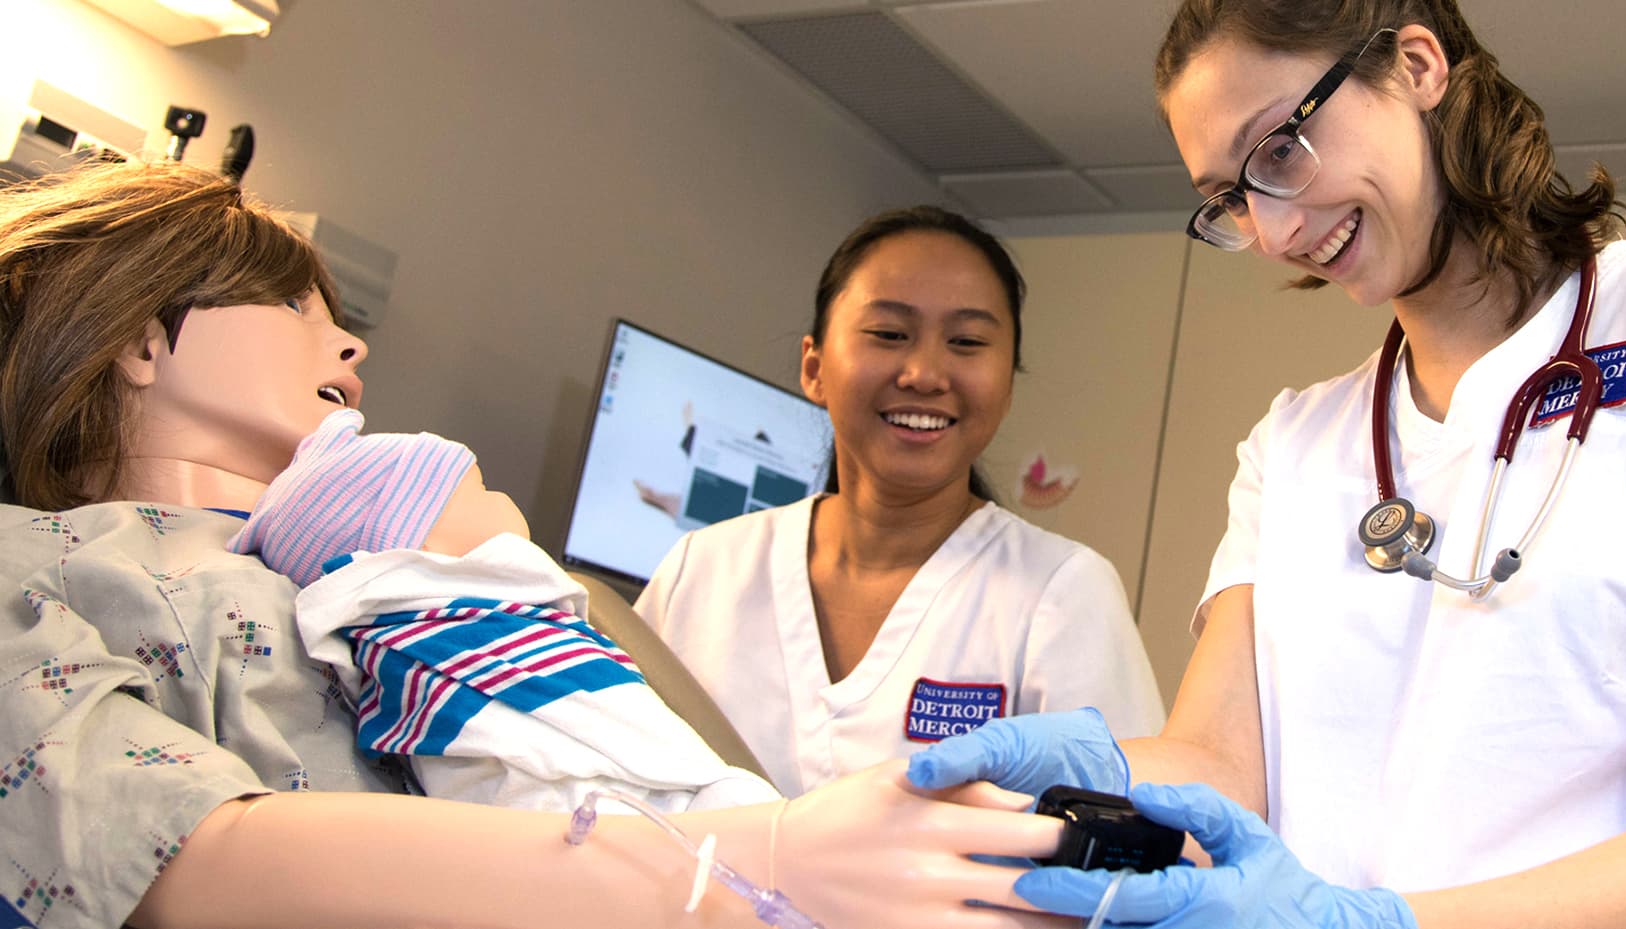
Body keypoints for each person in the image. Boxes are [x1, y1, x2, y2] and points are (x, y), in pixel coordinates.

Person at [907, 3, 1626, 929]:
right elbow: (1218, 764)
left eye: (1280, 151)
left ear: (1416, 66)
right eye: (1229, 199)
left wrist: (1387, 923)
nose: (1277, 230)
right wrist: (1058, 777)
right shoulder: (1294, 442)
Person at [0, 160, 1073, 929]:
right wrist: (734, 864)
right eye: (291, 302)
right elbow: (179, 850)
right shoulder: (35, 561)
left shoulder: (413, 568)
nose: (350, 338)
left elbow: (694, 778)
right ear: (143, 336)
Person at [635, 205, 1166, 798]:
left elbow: (1120, 840)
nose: (924, 373)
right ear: (814, 368)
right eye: (889, 334)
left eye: (966, 342)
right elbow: (607, 787)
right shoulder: (701, 571)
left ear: (1007, 386)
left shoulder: (1063, 592)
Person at [228, 406, 779, 813]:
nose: (501, 496)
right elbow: (547, 778)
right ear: (416, 547)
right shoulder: (447, 644)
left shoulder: (495, 625)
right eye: (482, 487)